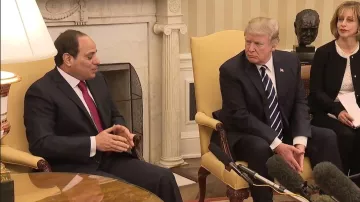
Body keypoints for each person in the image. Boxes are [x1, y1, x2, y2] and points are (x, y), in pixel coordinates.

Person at [24, 29, 182, 202]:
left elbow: (115, 115)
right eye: (90, 57)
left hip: (111, 159)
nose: (97, 61)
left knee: (164, 177)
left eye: (95, 55)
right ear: (68, 59)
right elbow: (41, 143)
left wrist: (121, 130)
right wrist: (94, 143)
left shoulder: (97, 80)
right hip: (74, 167)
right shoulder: (41, 91)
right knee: (125, 192)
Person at [211, 17, 343, 202]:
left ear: (274, 45)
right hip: (245, 135)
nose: (250, 48)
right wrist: (277, 145)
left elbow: (299, 102)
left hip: (283, 129)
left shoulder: (289, 62)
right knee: (261, 147)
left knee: (326, 137)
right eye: (248, 41)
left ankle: (331, 198)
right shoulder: (231, 70)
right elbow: (240, 116)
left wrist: (299, 142)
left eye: (258, 44)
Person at [309, 1, 360, 186]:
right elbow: (315, 92)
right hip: (326, 112)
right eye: (340, 19)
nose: (343, 24)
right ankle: (340, 188)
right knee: (346, 135)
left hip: (355, 113)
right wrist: (337, 110)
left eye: (349, 20)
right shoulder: (324, 53)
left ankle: (355, 189)